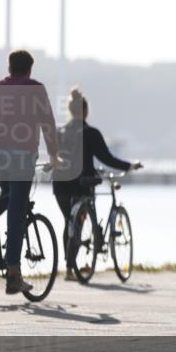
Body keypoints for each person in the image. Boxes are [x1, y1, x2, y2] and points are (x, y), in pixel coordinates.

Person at [0, 50, 59, 294]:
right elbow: (47, 123)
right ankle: (13, 272)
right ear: (29, 69)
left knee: (8, 196)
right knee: (17, 208)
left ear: (9, 67)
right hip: (22, 157)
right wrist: (54, 154)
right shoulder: (36, 89)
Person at [53, 87, 142, 280]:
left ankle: (69, 268)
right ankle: (70, 268)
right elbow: (106, 158)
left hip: (60, 184)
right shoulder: (91, 133)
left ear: (70, 110)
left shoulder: (60, 132)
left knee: (69, 222)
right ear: (85, 111)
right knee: (77, 222)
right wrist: (129, 166)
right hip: (81, 183)